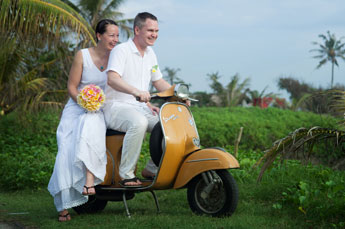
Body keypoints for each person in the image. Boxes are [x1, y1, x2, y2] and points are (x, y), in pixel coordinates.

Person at [48, 19, 119, 222]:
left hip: (100, 109)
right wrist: (83, 101)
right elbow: (72, 86)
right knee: (66, 150)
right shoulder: (83, 55)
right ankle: (63, 206)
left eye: (117, 36)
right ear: (99, 35)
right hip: (76, 106)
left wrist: (95, 105)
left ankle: (89, 179)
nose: (115, 40)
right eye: (111, 35)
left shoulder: (117, 57)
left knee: (91, 123)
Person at [104, 12, 171, 187]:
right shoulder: (121, 50)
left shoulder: (150, 53)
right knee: (139, 122)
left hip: (139, 107)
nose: (154, 34)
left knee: (168, 125)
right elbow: (112, 78)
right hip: (116, 107)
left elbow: (158, 81)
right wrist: (136, 92)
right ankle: (126, 174)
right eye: (150, 30)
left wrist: (177, 95)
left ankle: (151, 168)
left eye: (156, 31)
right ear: (137, 30)